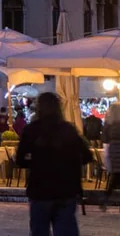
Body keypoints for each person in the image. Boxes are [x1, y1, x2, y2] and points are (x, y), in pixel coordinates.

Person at [16, 92, 92, 235]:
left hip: (40, 188)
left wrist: (35, 162)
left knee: (39, 230)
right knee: (66, 230)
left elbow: (20, 160)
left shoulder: (31, 130)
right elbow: (87, 156)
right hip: (66, 190)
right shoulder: (68, 129)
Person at [101, 102, 120, 208]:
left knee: (115, 173)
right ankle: (105, 198)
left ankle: (105, 198)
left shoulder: (109, 122)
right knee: (116, 175)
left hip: (113, 148)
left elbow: (104, 138)